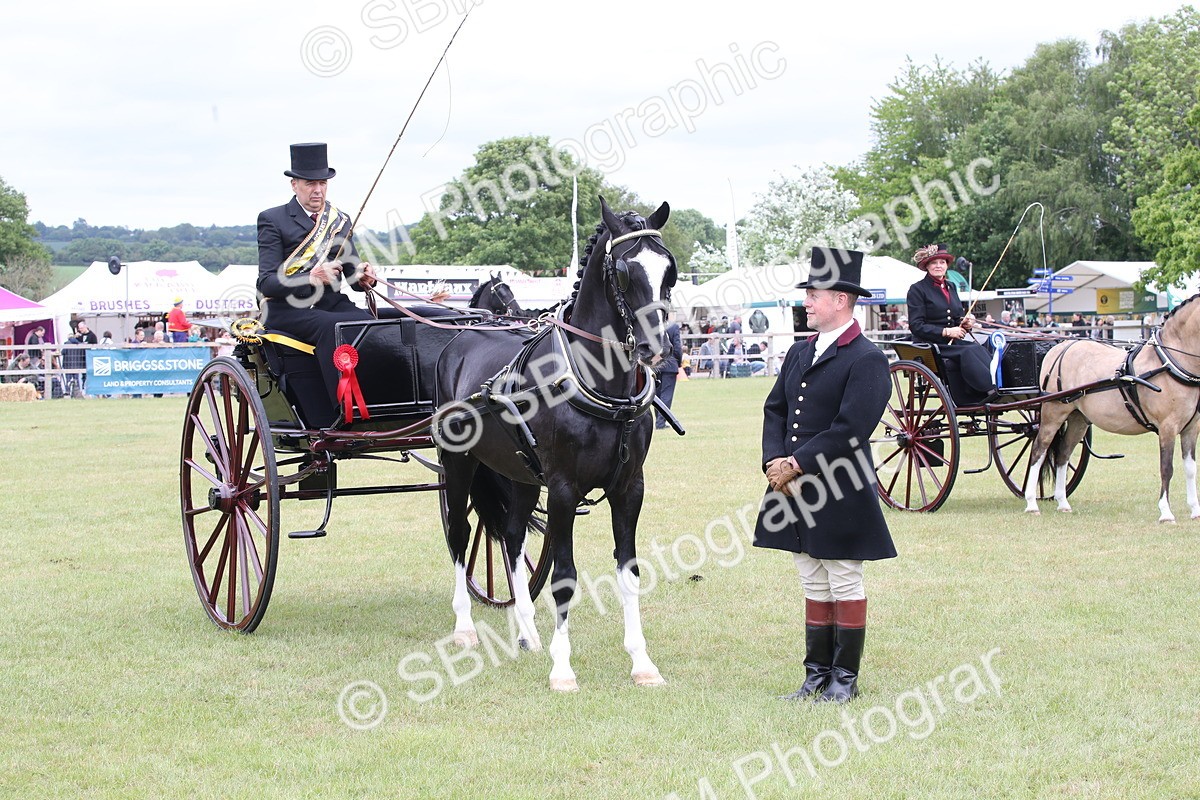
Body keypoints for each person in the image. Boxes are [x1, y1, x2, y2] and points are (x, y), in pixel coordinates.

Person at [753, 247, 896, 704]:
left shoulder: (868, 358)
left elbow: (851, 428)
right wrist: (774, 462)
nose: (807, 302)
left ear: (841, 299)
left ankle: (844, 680)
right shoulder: (799, 351)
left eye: (814, 295)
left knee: (843, 577)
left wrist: (797, 463)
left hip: (838, 486)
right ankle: (815, 675)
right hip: (791, 485)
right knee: (811, 577)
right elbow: (775, 409)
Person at [257, 142, 393, 406]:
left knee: (373, 326)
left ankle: (380, 402)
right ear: (294, 184)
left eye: (322, 183)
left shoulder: (339, 220)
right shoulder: (273, 220)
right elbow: (267, 283)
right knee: (334, 328)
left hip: (331, 305)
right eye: (310, 183)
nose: (317, 190)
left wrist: (365, 276)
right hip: (286, 309)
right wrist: (311, 278)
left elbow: (353, 278)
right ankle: (343, 410)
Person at [906, 244, 996, 403]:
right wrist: (947, 332)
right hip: (930, 345)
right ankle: (986, 390)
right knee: (968, 352)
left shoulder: (951, 287)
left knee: (979, 348)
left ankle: (996, 385)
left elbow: (956, 317)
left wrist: (965, 322)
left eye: (942, 262)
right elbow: (916, 325)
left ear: (947, 265)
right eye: (934, 263)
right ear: (927, 266)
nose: (938, 266)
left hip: (952, 343)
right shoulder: (917, 289)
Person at [654, 322, 682, 430]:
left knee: (657, 394)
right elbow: (677, 347)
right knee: (667, 395)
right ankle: (660, 422)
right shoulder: (673, 327)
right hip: (670, 363)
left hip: (655, 364)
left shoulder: (653, 326)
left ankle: (658, 420)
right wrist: (678, 362)